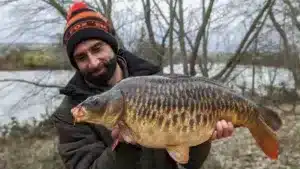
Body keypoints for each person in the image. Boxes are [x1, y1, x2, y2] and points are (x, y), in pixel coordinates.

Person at [51, 1, 234, 169]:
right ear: (75, 63)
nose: (94, 62)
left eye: (97, 49)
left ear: (112, 46)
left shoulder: (159, 83)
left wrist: (203, 136)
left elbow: (189, 163)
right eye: (81, 57)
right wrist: (124, 146)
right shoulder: (70, 113)